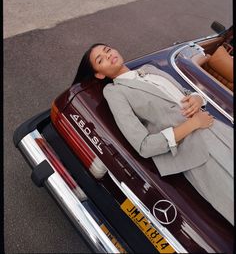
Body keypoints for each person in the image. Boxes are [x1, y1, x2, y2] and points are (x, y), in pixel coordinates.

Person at [72, 43, 234, 225]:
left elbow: (184, 93)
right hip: (198, 155)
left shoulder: (149, 69)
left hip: (220, 132)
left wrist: (197, 98)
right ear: (100, 74)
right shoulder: (114, 92)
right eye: (100, 59)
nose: (108, 55)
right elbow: (144, 145)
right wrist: (193, 124)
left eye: (108, 50)